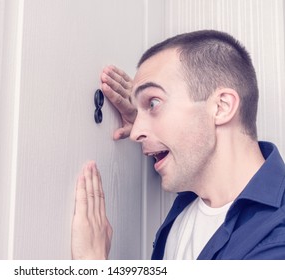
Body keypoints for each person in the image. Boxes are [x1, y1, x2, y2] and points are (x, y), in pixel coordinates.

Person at [71, 30, 285, 260]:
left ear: (221, 107)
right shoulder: (195, 183)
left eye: (153, 102)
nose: (135, 134)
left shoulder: (275, 244)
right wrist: (147, 117)